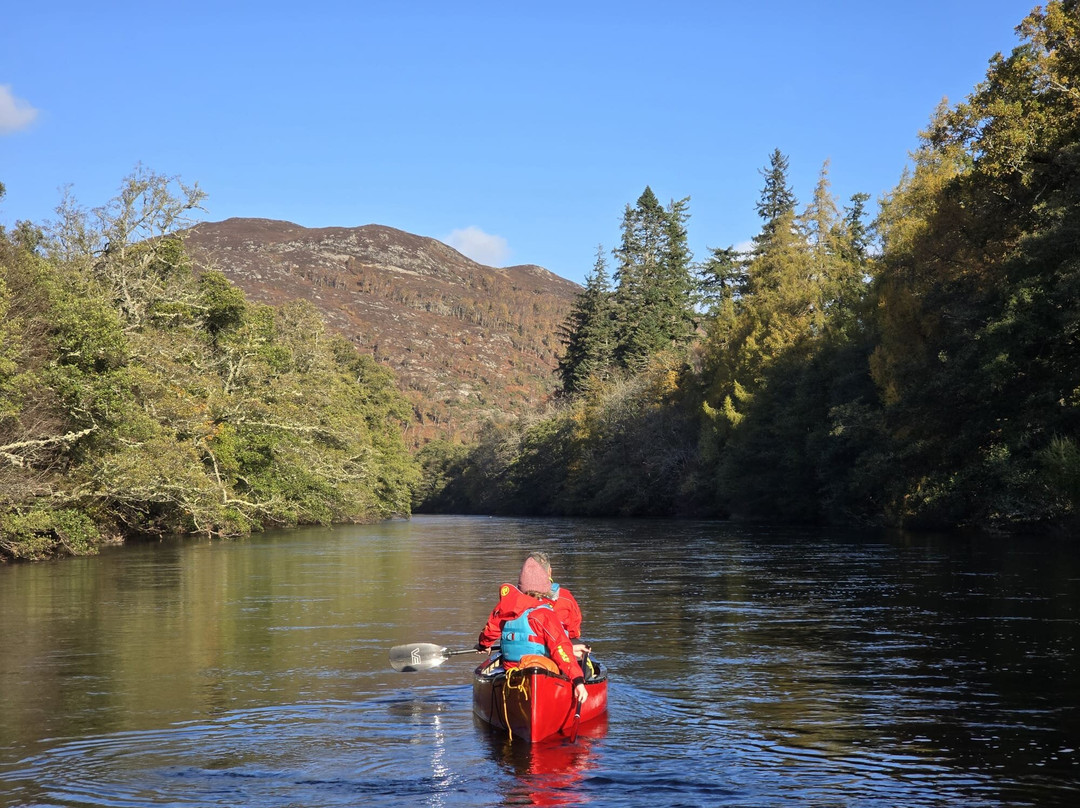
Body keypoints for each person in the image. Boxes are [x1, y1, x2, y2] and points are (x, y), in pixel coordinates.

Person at [477, 554, 589, 704]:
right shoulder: (544, 614)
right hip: (541, 671)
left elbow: (490, 631)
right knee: (575, 663)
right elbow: (560, 648)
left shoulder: (505, 608)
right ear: (544, 586)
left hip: (511, 671)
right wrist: (578, 681)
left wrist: (484, 645)